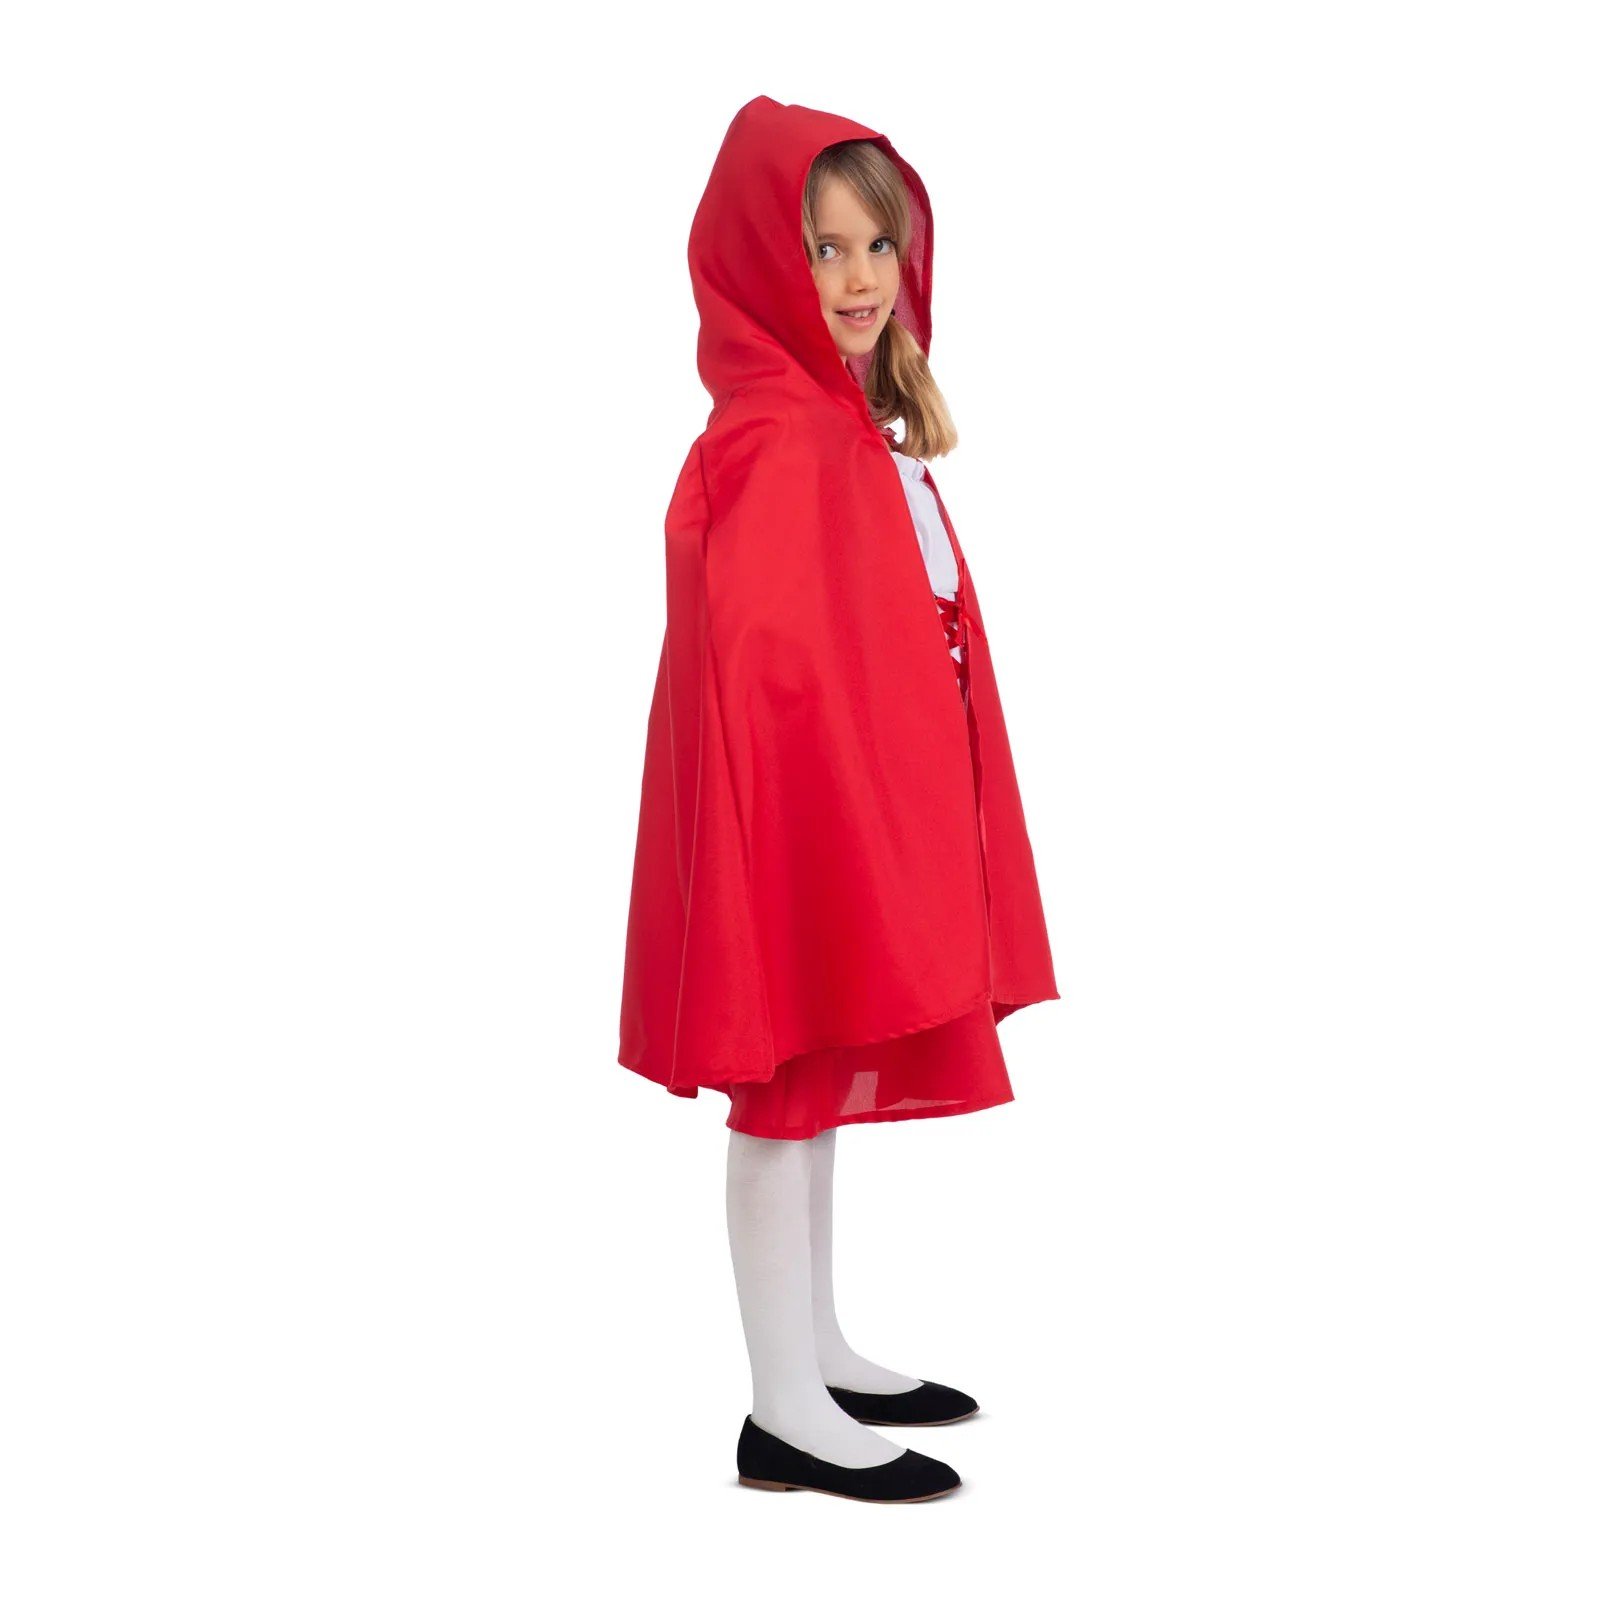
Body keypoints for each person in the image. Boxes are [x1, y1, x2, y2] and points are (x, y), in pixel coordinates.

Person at [617, 96, 1059, 1502]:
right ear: (764, 259)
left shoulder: (843, 427)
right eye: (823, 248)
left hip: (858, 810)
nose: (860, 278)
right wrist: (812, 830)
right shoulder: (771, 439)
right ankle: (782, 1411)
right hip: (801, 827)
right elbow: (760, 667)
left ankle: (815, 1352)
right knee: (781, 1092)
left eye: (878, 245)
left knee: (812, 1096)